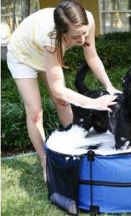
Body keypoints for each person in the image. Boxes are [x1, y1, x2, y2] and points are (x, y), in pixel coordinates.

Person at [7, 0, 120, 181]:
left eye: (83, 33)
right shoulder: (51, 38)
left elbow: (91, 56)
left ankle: (75, 149)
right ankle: (45, 161)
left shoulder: (88, 20)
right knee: (35, 112)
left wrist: (109, 86)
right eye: (75, 37)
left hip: (45, 53)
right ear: (61, 32)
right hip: (23, 56)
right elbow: (58, 88)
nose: (81, 40)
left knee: (63, 103)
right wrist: (93, 103)